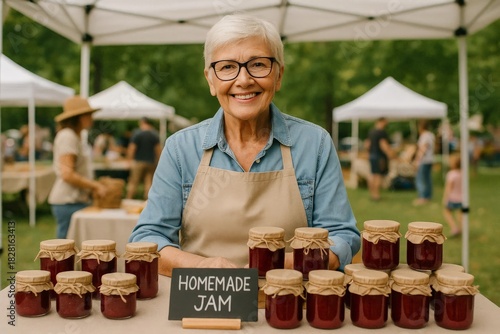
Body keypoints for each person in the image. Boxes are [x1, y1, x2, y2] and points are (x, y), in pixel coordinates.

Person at [129, 14, 360, 276]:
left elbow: (341, 236)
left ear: (279, 75)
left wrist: (270, 268)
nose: (244, 80)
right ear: (211, 80)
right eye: (227, 67)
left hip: (290, 304)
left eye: (258, 64)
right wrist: (202, 266)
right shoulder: (181, 149)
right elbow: (148, 239)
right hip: (204, 303)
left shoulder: (315, 144)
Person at [48, 96, 109, 239]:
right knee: (65, 250)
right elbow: (67, 174)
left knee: (72, 247)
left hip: (74, 200)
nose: (92, 118)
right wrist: (95, 186)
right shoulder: (67, 136)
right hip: (68, 201)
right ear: (79, 117)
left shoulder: (75, 136)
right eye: (88, 115)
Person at [125, 117, 161, 199]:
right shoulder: (154, 134)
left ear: (142, 122)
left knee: (133, 182)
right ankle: (147, 202)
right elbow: (158, 150)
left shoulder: (137, 134)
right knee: (149, 183)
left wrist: (129, 161)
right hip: (151, 162)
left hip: (139, 162)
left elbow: (132, 148)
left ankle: (128, 199)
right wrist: (159, 161)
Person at [366, 117, 395, 201]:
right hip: (379, 156)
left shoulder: (371, 132)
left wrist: (369, 153)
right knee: (378, 175)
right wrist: (391, 155)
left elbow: (367, 145)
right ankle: (377, 195)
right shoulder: (382, 132)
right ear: (381, 122)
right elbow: (383, 145)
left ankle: (372, 194)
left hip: (372, 155)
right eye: (385, 123)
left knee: (372, 175)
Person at [413, 120, 435, 205]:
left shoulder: (424, 136)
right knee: (427, 179)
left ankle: (422, 197)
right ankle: (428, 196)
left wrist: (417, 160)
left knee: (420, 179)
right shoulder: (431, 135)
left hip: (424, 160)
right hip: (430, 159)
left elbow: (423, 148)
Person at [442, 153, 462, 237]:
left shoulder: (451, 174)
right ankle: (461, 229)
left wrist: (445, 198)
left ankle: (454, 228)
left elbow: (448, 188)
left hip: (452, 198)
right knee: (460, 213)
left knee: (446, 212)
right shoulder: (462, 173)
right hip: (462, 198)